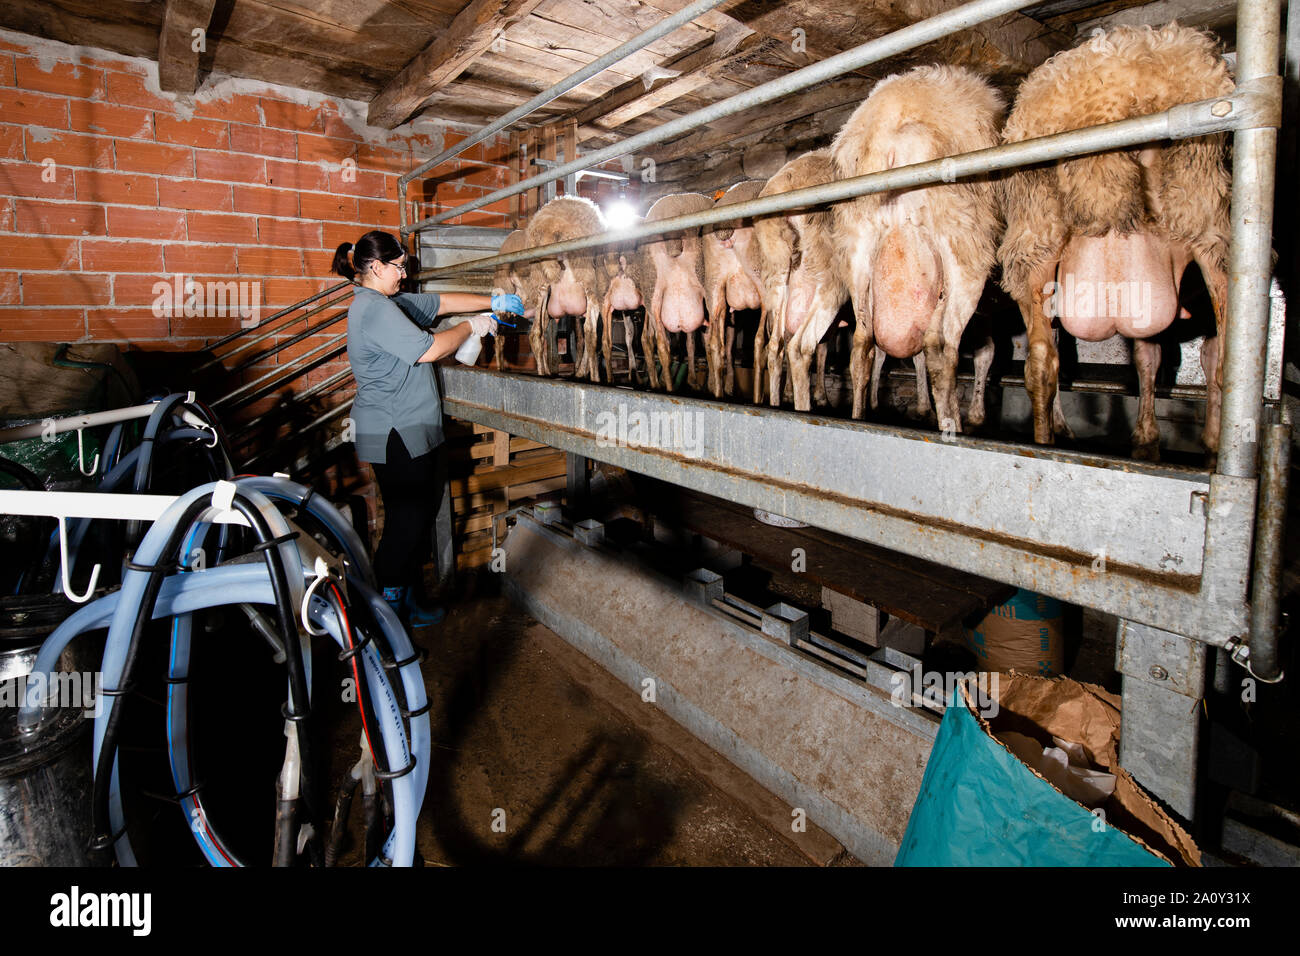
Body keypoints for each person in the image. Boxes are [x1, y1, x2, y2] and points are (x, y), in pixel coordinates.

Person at [332, 230, 525, 627]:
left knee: (414, 521)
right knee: (406, 524)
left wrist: (493, 302)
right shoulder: (373, 310)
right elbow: (431, 349)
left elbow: (440, 303)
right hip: (393, 430)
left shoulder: (391, 302)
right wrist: (473, 326)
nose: (404, 274)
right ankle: (383, 621)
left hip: (408, 426)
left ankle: (407, 602)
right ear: (376, 267)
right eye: (399, 267)